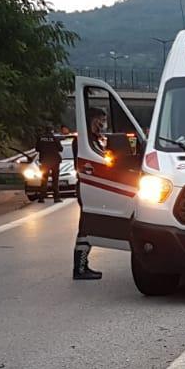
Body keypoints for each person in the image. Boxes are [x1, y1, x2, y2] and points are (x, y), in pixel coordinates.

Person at [72, 109, 109, 281]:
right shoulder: (83, 141)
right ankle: (79, 268)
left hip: (89, 186)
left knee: (87, 227)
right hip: (87, 186)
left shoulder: (92, 140)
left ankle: (82, 265)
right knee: (86, 228)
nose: (102, 124)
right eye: (99, 120)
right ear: (91, 120)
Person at [33, 126, 63, 202]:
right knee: (55, 180)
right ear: (52, 131)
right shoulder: (55, 138)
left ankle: (41, 198)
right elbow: (60, 149)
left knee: (44, 179)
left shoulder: (41, 138)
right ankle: (56, 198)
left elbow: (37, 149)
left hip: (45, 161)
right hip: (55, 161)